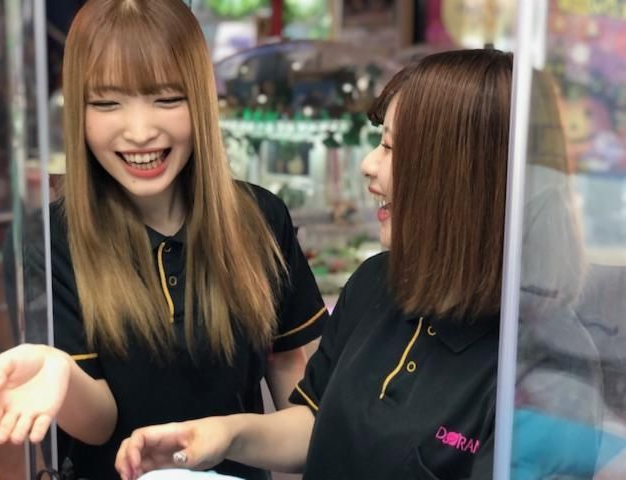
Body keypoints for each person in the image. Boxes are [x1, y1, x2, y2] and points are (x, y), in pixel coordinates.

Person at [115, 48, 513, 480]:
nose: (368, 165)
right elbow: (316, 424)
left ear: (460, 174)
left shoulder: (520, 359)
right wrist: (224, 435)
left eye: (390, 147)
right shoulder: (375, 283)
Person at [0, 1, 327, 479]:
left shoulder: (261, 217)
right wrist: (56, 367)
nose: (141, 132)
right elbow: (99, 424)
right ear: (77, 111)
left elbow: (300, 393)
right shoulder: (47, 241)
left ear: (200, 101)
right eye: (107, 103)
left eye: (166, 99)